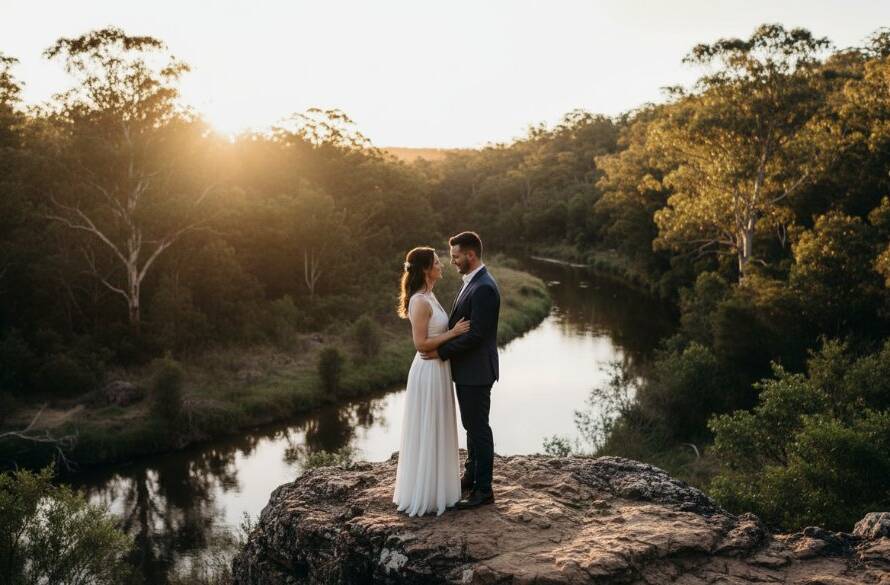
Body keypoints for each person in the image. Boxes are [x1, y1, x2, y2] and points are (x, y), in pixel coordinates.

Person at [421, 231, 500, 509]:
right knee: (471, 425)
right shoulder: (472, 283)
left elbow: (476, 335)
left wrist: (439, 352)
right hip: (468, 370)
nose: (452, 261)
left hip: (477, 371)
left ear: (470, 255)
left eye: (455, 256)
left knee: (478, 428)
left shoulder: (484, 288)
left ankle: (483, 490)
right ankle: (471, 474)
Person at [392, 246, 470, 516]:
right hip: (427, 371)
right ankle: (425, 493)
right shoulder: (419, 302)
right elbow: (421, 344)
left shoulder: (429, 295)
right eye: (437, 262)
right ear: (426, 269)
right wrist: (455, 333)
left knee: (438, 425)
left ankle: (441, 488)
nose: (442, 265)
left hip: (439, 369)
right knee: (428, 426)